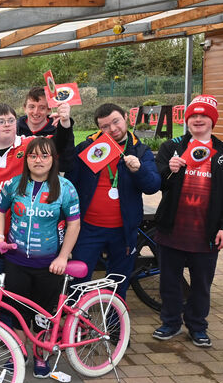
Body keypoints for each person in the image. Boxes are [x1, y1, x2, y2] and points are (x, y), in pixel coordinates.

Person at [152, 95, 223, 348]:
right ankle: (170, 322)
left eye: (203, 115)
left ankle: (197, 326)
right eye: (193, 115)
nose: (198, 119)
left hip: (207, 232)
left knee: (202, 284)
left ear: (212, 120)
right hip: (172, 229)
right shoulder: (172, 147)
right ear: (187, 120)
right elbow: (159, 182)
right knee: (169, 281)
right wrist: (170, 169)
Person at [0, 103, 73, 312]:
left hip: (22, 243)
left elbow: (58, 146)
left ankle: (12, 342)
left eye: (11, 120)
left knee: (15, 302)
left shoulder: (29, 146)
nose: (7, 124)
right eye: (0, 121)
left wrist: (66, 123)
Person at [0, 137, 80, 377]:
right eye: (33, 156)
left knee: (44, 314)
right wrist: (0, 238)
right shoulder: (13, 185)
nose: (38, 160)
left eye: (44, 155)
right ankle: (19, 352)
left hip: (49, 265)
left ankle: (41, 356)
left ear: (53, 159)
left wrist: (63, 257)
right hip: (16, 262)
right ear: (26, 159)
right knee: (16, 311)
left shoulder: (65, 188)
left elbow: (74, 224)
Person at [66, 103, 160, 298]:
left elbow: (152, 186)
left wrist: (138, 170)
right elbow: (69, 183)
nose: (113, 129)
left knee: (118, 284)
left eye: (115, 122)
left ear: (126, 117)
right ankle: (77, 326)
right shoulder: (87, 149)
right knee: (77, 282)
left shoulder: (140, 151)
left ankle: (114, 326)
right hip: (88, 229)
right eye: (105, 126)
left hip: (124, 231)